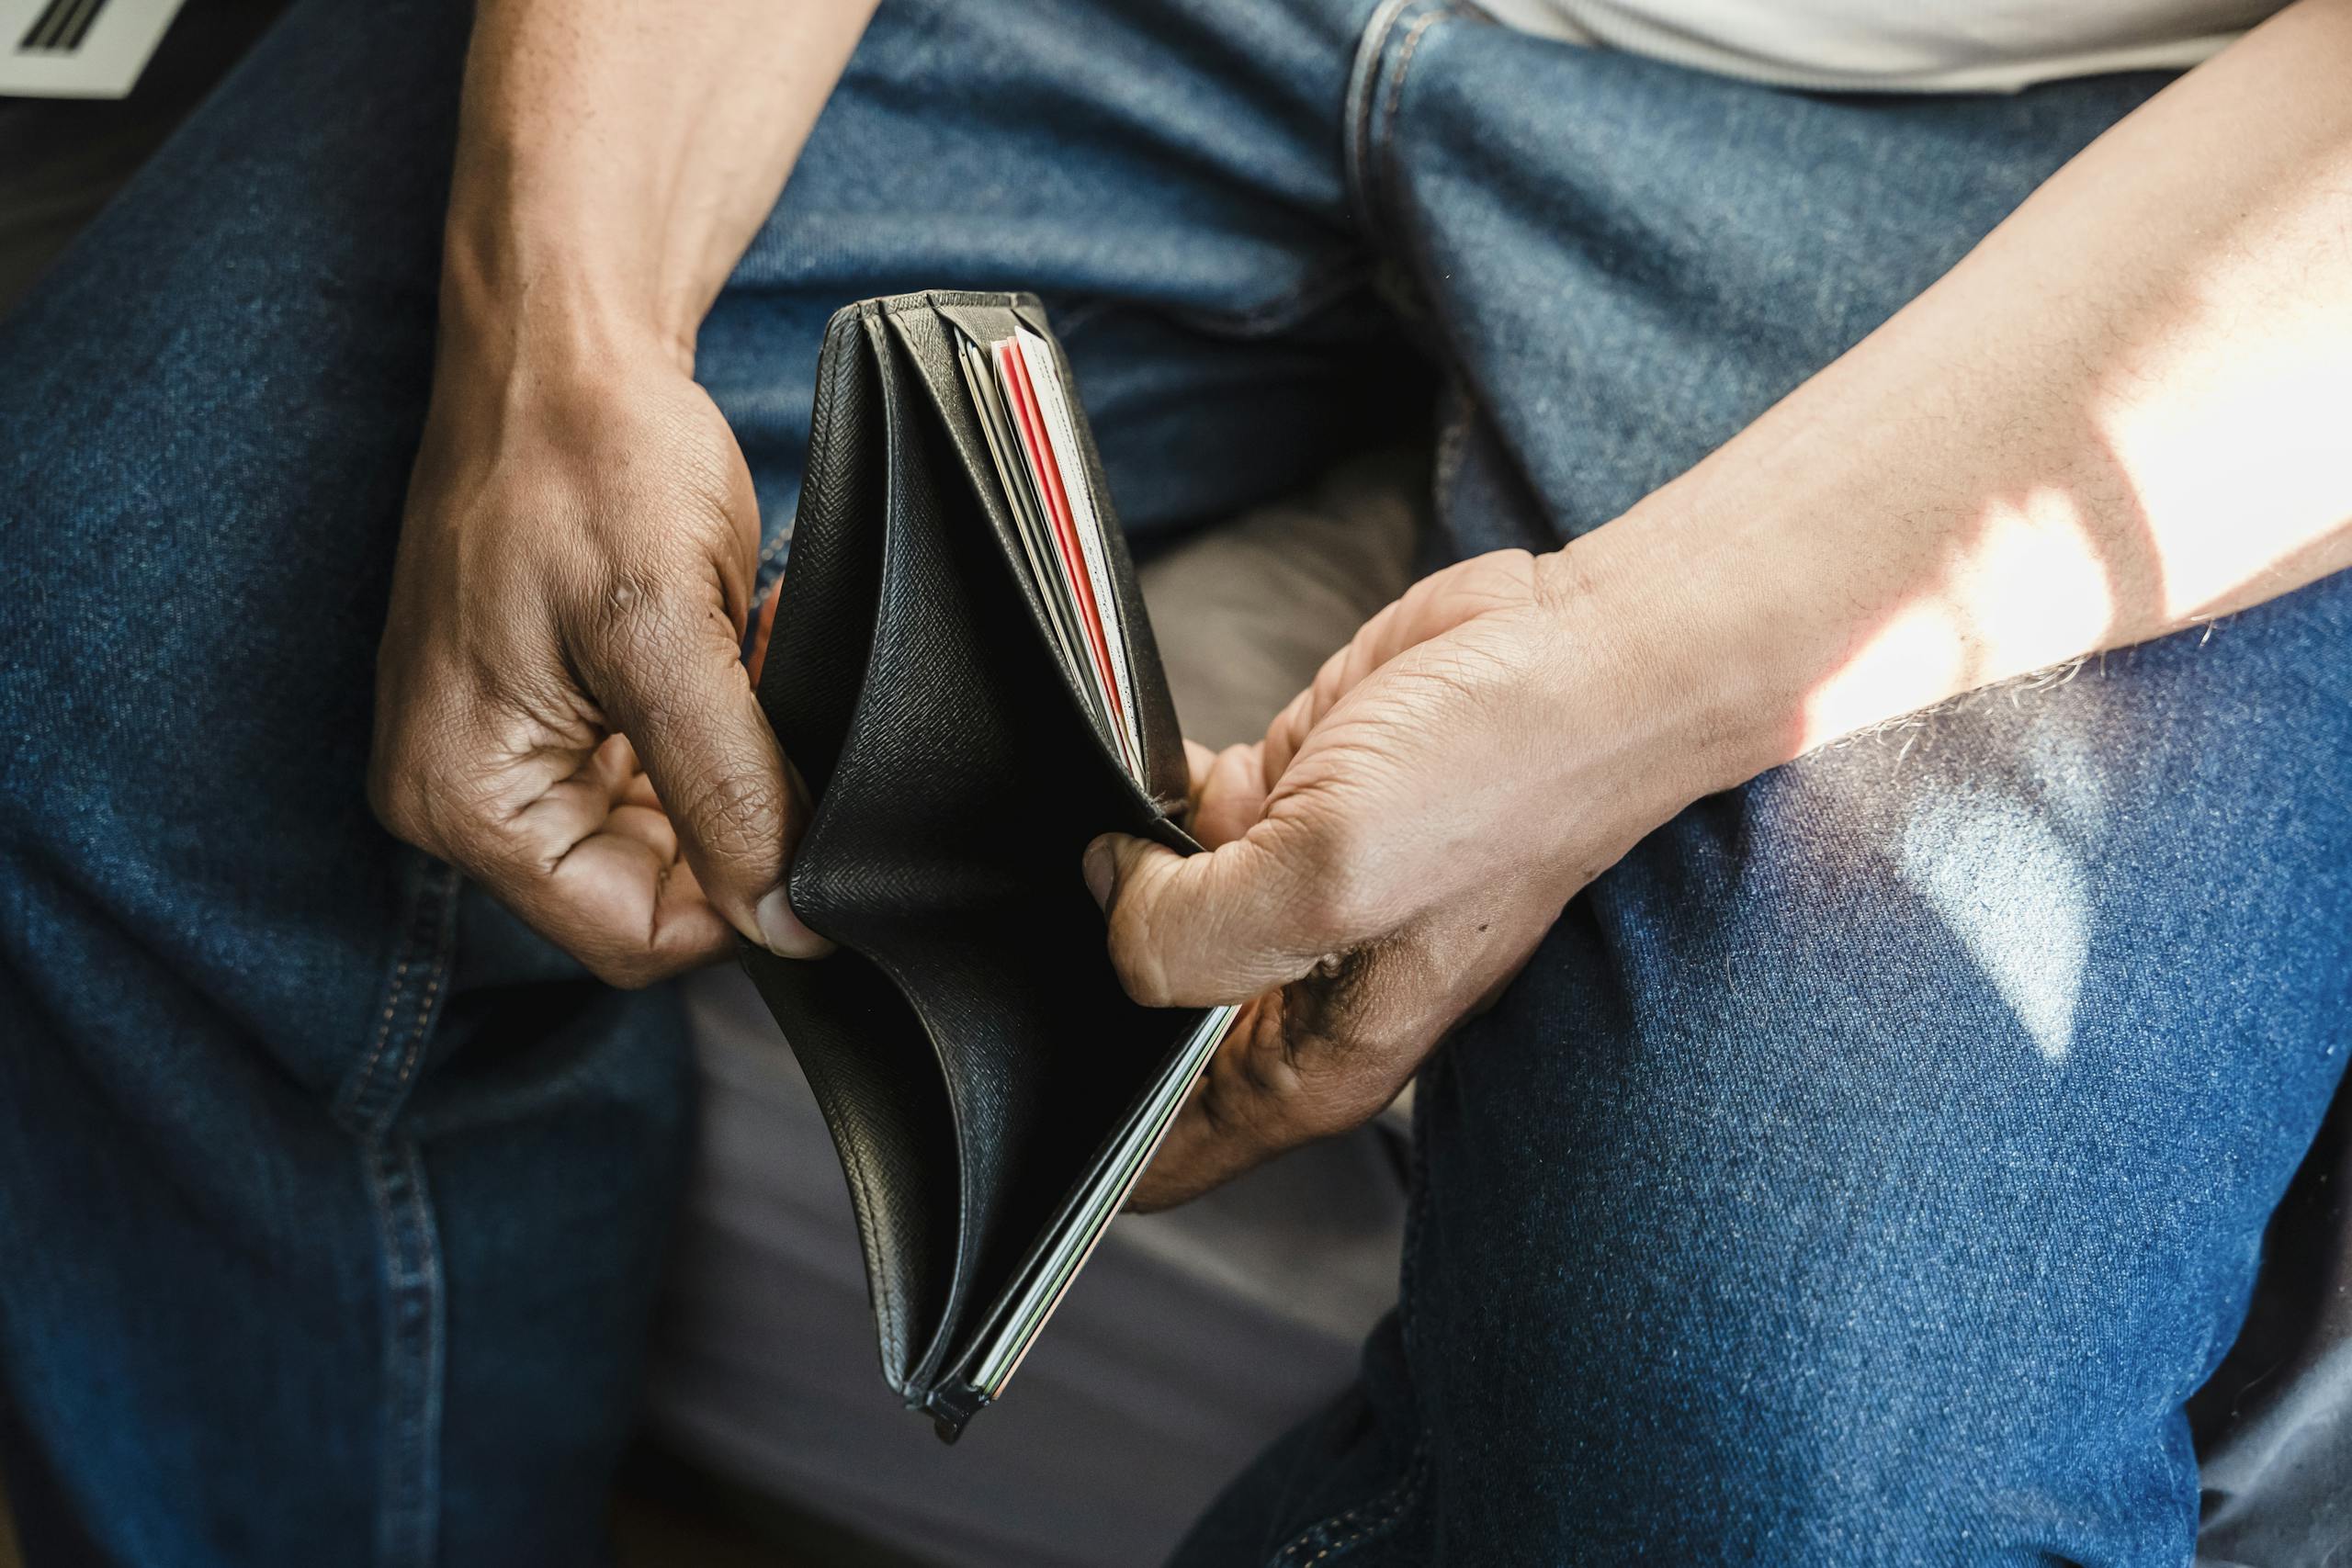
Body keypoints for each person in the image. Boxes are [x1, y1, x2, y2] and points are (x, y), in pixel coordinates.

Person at [2, 0, 2348, 1561]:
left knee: (1787, 1457)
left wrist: (1642, 674)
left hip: (2120, 165)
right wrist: (562, 313)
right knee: (121, 651)